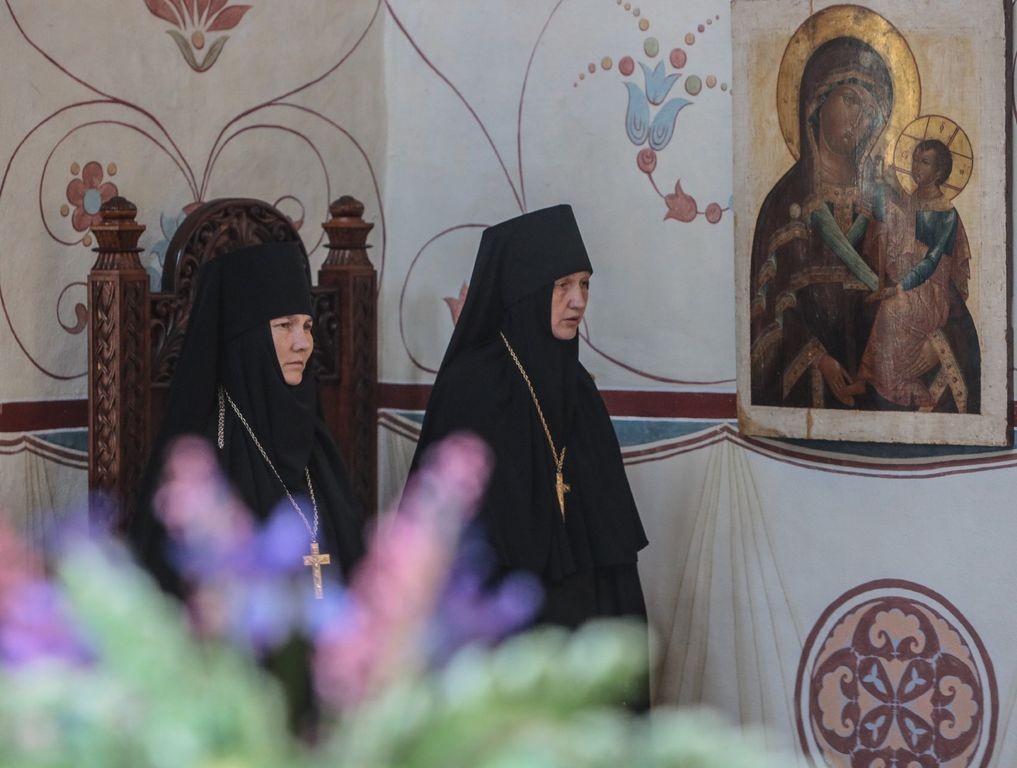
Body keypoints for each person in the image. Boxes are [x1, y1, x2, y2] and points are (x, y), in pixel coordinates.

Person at [410, 205, 648, 634]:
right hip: (501, 626)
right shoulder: (473, 386)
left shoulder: (579, 387)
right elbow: (453, 542)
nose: (578, 301)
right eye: (562, 285)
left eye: (584, 284)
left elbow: (612, 549)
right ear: (525, 290)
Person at [128, 240, 364, 597]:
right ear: (246, 340)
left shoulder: (318, 446)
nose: (302, 343)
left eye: (307, 326)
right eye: (284, 325)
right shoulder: (206, 458)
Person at [750, 36, 891, 409]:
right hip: (807, 379)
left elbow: (920, 291)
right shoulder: (784, 202)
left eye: (870, 110)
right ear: (817, 102)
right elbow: (768, 311)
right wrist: (817, 357)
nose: (859, 119)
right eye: (850, 100)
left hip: (878, 376)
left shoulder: (886, 202)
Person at [850, 138, 974, 410]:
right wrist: (880, 187)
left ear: (939, 172)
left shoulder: (946, 212)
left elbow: (931, 261)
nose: (916, 167)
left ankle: (897, 386)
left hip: (931, 291)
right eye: (915, 159)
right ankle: (867, 377)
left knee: (890, 309)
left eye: (925, 162)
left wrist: (899, 287)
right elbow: (892, 229)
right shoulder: (909, 201)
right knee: (882, 308)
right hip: (907, 284)